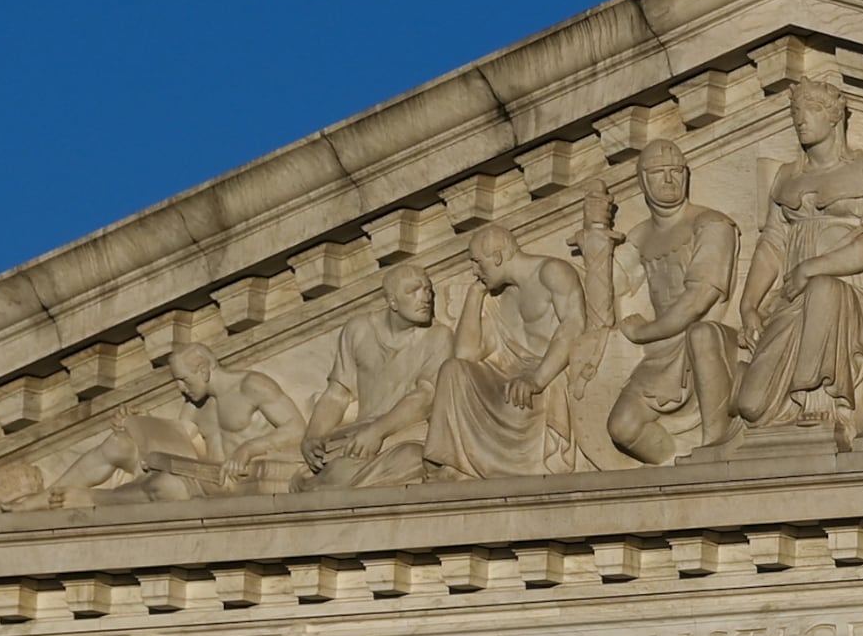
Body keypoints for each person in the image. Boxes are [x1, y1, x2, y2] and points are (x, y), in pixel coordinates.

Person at [731, 77, 863, 437]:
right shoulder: (786, 176)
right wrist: (748, 305)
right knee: (751, 405)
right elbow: (772, 243)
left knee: (825, 289)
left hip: (852, 293)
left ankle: (820, 398)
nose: (800, 119)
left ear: (835, 116)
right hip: (791, 299)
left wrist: (813, 267)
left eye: (811, 109)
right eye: (795, 110)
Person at [606, 142, 742, 464]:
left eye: (676, 171)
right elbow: (610, 285)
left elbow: (697, 301)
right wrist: (597, 235)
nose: (669, 180)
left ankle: (714, 445)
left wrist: (643, 332)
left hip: (703, 345)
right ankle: (678, 467)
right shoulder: (639, 235)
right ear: (642, 181)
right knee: (622, 426)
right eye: (658, 173)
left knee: (702, 334)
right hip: (661, 354)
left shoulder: (712, 225)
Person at [425, 224, 589, 479]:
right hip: (509, 378)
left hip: (547, 374)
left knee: (518, 399)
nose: (474, 271)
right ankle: (457, 465)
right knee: (452, 370)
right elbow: (465, 356)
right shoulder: (497, 298)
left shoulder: (552, 272)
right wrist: (474, 294)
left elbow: (573, 326)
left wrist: (537, 379)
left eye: (478, 263)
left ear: (498, 256)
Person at [303, 262, 452, 486]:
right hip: (358, 438)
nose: (426, 298)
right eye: (413, 291)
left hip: (403, 433)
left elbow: (426, 396)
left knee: (414, 458)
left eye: (428, 290)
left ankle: (326, 484)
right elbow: (337, 394)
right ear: (392, 301)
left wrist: (377, 432)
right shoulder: (359, 330)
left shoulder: (439, 336)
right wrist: (312, 436)